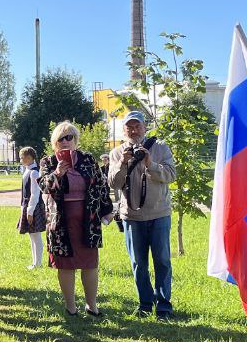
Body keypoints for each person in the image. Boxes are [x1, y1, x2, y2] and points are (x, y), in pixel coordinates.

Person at [40, 121, 114, 316]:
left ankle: (92, 305)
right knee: (65, 265)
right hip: (61, 223)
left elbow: (101, 185)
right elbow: (44, 187)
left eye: (69, 137)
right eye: (61, 138)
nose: (65, 142)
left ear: (75, 140)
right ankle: (70, 307)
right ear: (55, 142)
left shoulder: (88, 159)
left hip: (87, 221)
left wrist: (107, 210)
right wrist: (57, 174)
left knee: (90, 264)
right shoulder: (48, 162)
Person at [108, 111, 177, 318]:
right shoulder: (117, 152)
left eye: (137, 125)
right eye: (129, 126)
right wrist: (122, 163)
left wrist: (150, 164)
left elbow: (171, 174)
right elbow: (113, 183)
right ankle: (145, 304)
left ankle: (164, 305)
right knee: (138, 263)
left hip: (159, 214)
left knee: (162, 261)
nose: (133, 130)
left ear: (145, 127)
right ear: (124, 130)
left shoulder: (161, 147)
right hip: (132, 216)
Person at [17, 147, 45, 269]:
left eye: (22, 158)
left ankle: (38, 263)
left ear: (29, 157)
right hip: (28, 205)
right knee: (31, 235)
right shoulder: (27, 171)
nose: (20, 160)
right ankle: (35, 262)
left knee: (36, 235)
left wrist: (30, 211)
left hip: (33, 207)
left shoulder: (34, 172)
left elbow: (35, 193)